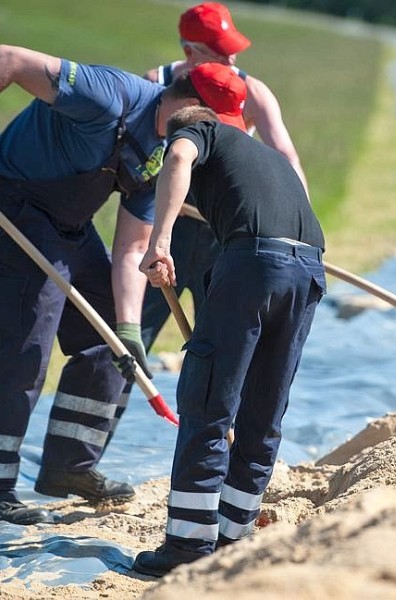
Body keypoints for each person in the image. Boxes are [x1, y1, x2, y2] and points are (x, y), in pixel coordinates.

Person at [0, 43, 247, 526]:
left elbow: (132, 248)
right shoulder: (106, 95)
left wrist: (130, 332)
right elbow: (9, 59)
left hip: (69, 227)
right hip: (14, 210)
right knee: (26, 348)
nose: (212, 140)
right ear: (186, 105)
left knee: (110, 338)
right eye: (211, 124)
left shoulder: (159, 153)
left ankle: (68, 467)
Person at [132, 105, 325, 576]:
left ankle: (186, 548)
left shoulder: (200, 132)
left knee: (208, 402)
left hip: (254, 263)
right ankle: (232, 540)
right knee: (263, 410)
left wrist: (160, 241)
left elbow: (177, 158)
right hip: (309, 267)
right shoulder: (263, 156)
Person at [116, 3, 309, 414]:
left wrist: (300, 224)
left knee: (222, 352)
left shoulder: (250, 90)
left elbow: (286, 156)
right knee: (126, 345)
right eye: (219, 52)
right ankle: (85, 457)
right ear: (190, 52)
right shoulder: (158, 85)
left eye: (232, 48)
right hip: (164, 234)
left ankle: (219, 445)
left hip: (225, 237)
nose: (232, 59)